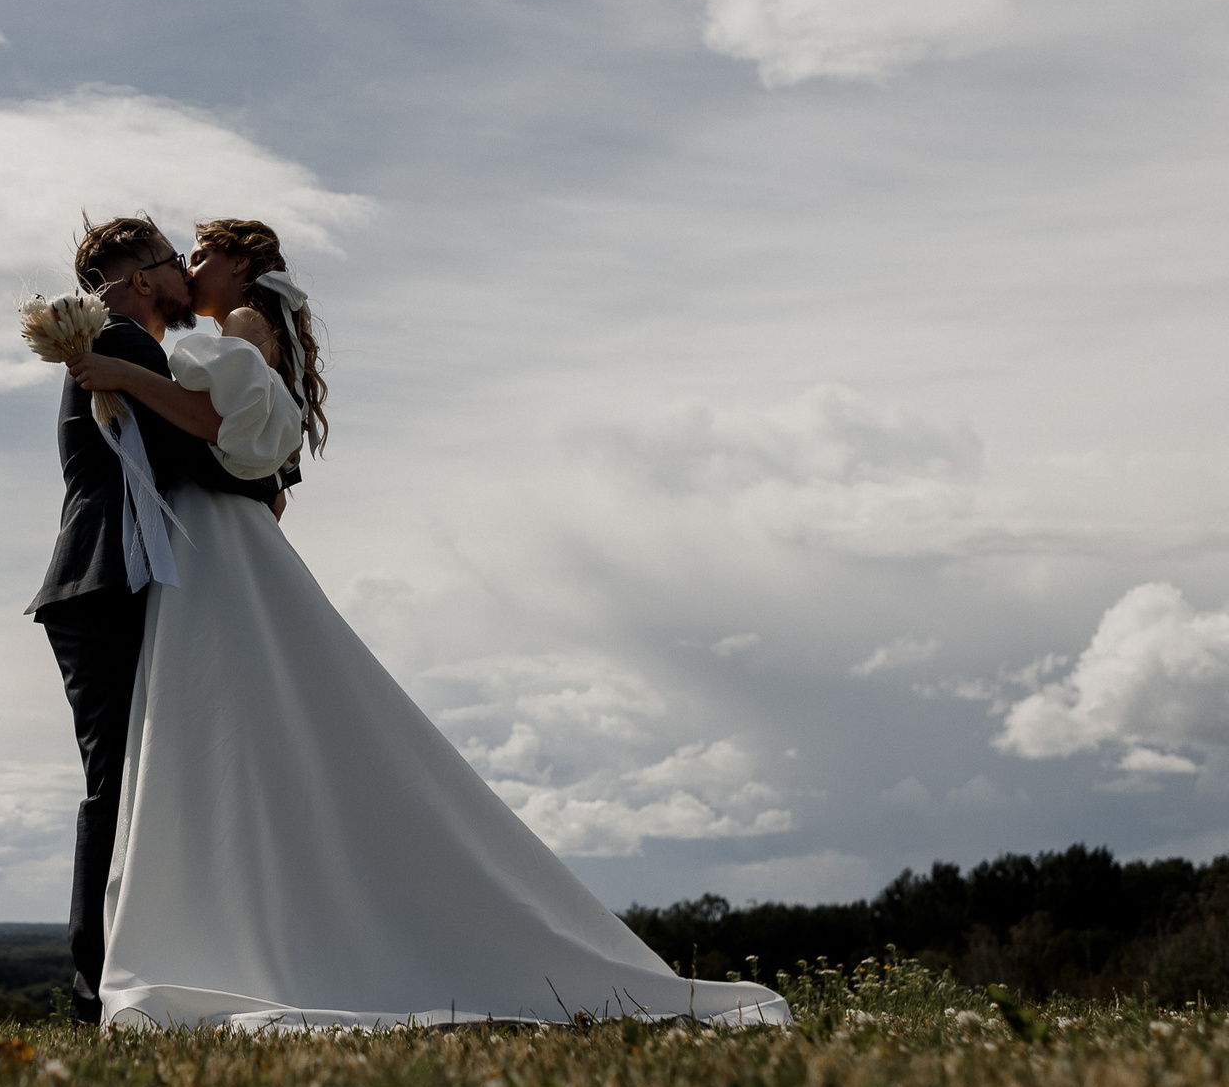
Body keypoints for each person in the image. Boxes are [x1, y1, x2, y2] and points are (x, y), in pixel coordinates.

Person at [62, 218, 791, 1030]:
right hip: (201, 556)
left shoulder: (218, 332)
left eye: (193, 256)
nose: (185, 269)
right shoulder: (174, 333)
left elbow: (211, 429)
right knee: (212, 751)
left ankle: (195, 946)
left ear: (237, 262)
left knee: (206, 753)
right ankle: (206, 938)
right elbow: (255, 464)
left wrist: (121, 378)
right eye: (173, 258)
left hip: (207, 558)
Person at [28, 216, 285, 1025]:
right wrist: (270, 481)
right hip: (110, 579)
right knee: (117, 784)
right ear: (143, 280)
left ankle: (137, 966)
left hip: (99, 580)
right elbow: (195, 454)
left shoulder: (115, 350)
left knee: (129, 780)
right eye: (175, 263)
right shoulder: (126, 348)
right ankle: (97, 987)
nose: (184, 277)